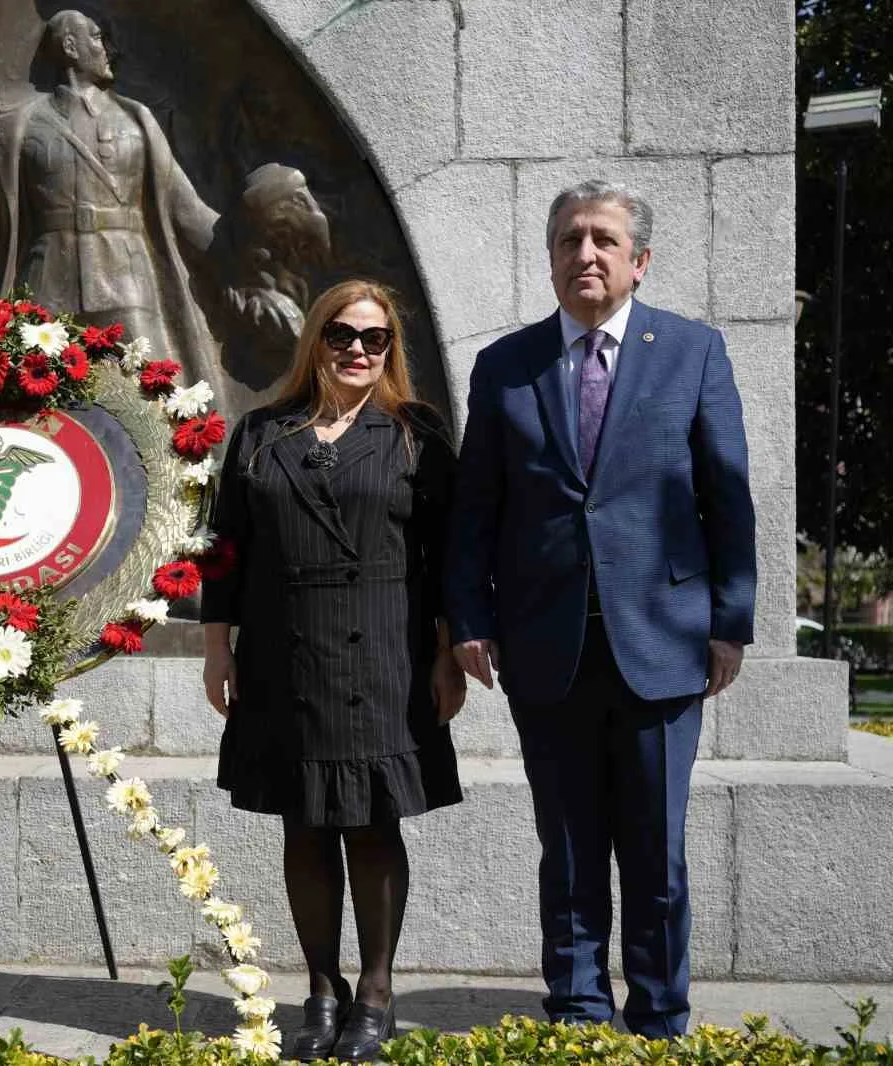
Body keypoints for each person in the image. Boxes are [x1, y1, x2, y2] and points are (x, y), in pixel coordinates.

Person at [443, 181, 756, 1035]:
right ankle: (578, 1012)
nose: (585, 254)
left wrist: (731, 621)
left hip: (664, 644)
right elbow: (477, 508)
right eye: (569, 240)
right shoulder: (507, 365)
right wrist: (469, 615)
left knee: (655, 851)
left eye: (604, 240)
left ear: (639, 262)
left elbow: (727, 497)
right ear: (549, 259)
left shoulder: (692, 352)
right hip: (547, 647)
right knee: (571, 850)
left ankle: (658, 1014)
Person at [202, 279, 465, 1061]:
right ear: (315, 341)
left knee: (374, 823)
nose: (358, 350)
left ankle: (376, 995)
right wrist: (219, 647)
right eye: (342, 335)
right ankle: (322, 988)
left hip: (386, 651)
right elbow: (225, 550)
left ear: (391, 349)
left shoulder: (415, 434)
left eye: (375, 338)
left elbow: (448, 556)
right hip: (285, 654)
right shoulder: (260, 434)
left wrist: (449, 654)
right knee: (306, 823)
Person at [0, 9, 227, 407]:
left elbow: (188, 212)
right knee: (37, 410)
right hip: (48, 284)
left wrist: (248, 253)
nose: (109, 49)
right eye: (98, 38)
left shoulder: (138, 120)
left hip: (127, 279)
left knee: (155, 401)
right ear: (69, 46)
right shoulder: (16, 130)